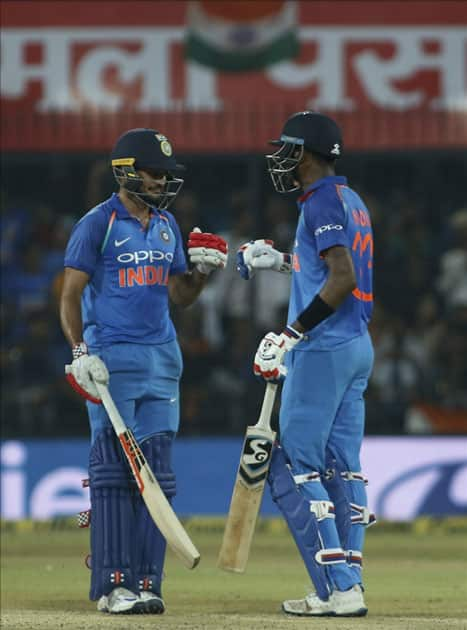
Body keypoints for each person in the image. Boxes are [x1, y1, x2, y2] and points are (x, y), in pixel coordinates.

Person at [60, 128, 227, 614]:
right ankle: (114, 585)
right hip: (111, 360)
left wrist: (201, 274)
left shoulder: (168, 224)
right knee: (114, 471)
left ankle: (148, 581)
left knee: (158, 472)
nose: (162, 181)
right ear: (127, 171)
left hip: (163, 358)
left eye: (165, 174)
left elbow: (179, 295)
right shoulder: (98, 224)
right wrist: (78, 352)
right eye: (155, 173)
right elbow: (70, 295)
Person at [237, 111, 375, 617]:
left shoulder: (319, 201)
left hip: (323, 348)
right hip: (358, 346)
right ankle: (350, 586)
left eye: (288, 149)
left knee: (298, 464)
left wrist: (291, 334)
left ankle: (336, 587)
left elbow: (341, 277)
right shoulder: (351, 200)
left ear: (310, 154)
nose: (281, 158)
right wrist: (281, 261)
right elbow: (328, 265)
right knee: (346, 470)